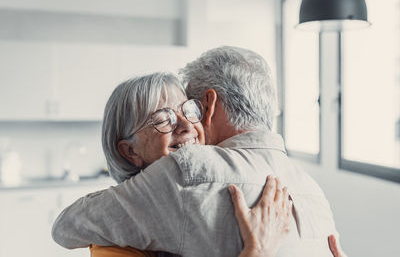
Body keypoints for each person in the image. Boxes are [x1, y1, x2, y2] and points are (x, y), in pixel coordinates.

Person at [52, 46, 338, 256]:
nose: (186, 125)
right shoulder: (312, 190)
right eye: (163, 118)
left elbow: (66, 226)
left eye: (190, 110)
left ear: (207, 107)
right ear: (129, 151)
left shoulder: (197, 176)